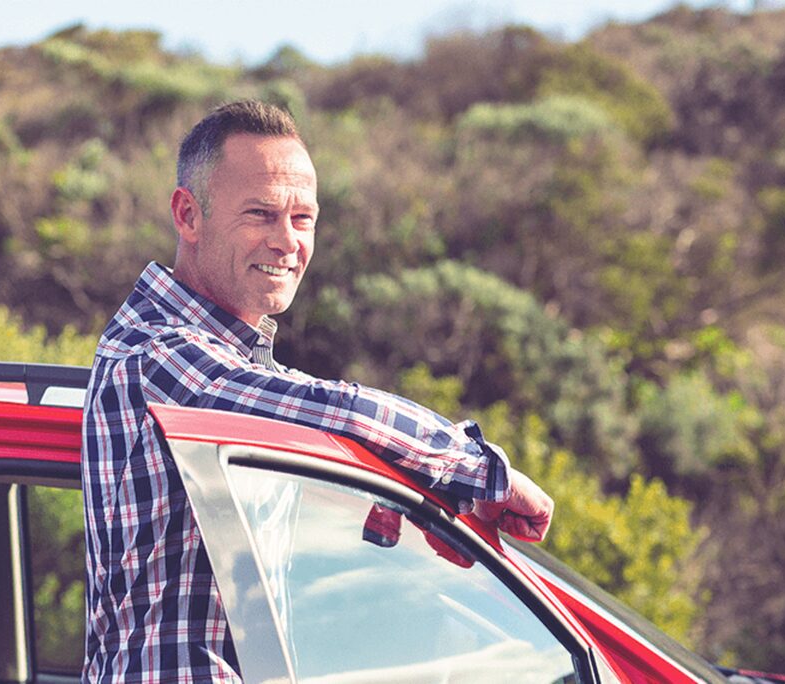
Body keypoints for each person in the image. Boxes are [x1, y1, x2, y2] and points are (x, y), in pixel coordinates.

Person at [81, 100, 553, 683]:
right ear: (188, 215)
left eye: (302, 219)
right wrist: (482, 472)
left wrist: (416, 503)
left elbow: (316, 425)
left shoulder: (230, 368)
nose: (287, 242)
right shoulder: (156, 357)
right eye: (260, 213)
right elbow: (337, 409)